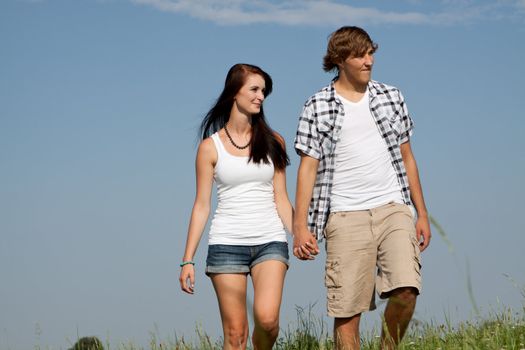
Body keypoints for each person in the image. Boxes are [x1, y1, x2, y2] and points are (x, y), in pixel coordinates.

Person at [293, 26, 431, 349]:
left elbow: (408, 158)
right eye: (360, 55)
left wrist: (421, 213)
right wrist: (300, 226)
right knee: (347, 313)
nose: (369, 61)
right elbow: (307, 170)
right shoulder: (316, 105)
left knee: (407, 289)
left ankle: (387, 347)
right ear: (340, 60)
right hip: (344, 215)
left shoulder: (391, 96)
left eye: (371, 53)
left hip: (393, 208)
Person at [179, 63, 293, 350]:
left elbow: (281, 197)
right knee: (235, 335)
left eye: (264, 91)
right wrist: (187, 259)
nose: (260, 96)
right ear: (234, 93)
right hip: (226, 243)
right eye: (254, 89)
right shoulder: (209, 147)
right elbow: (202, 205)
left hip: (270, 240)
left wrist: (299, 234)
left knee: (267, 322)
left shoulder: (274, 141)